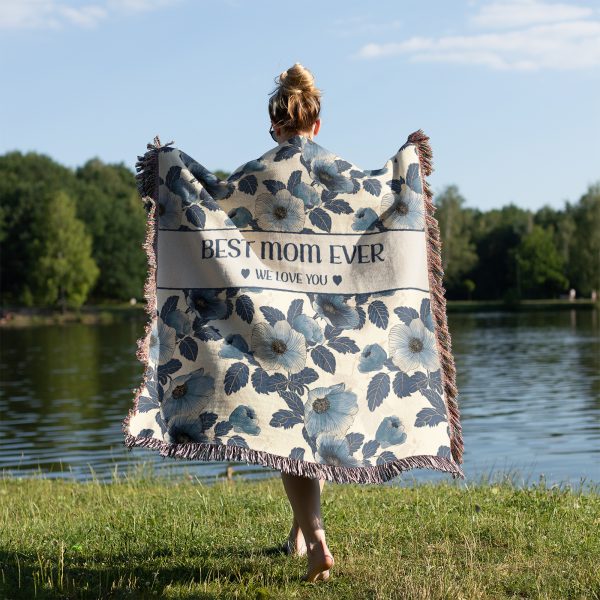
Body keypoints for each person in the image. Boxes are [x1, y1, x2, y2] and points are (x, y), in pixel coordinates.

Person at [267, 62, 333, 583]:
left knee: (290, 437)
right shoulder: (340, 174)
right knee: (315, 425)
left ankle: (316, 542)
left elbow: (215, 215)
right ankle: (296, 535)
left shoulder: (260, 175)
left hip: (278, 325)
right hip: (331, 321)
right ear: (316, 123)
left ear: (276, 126)